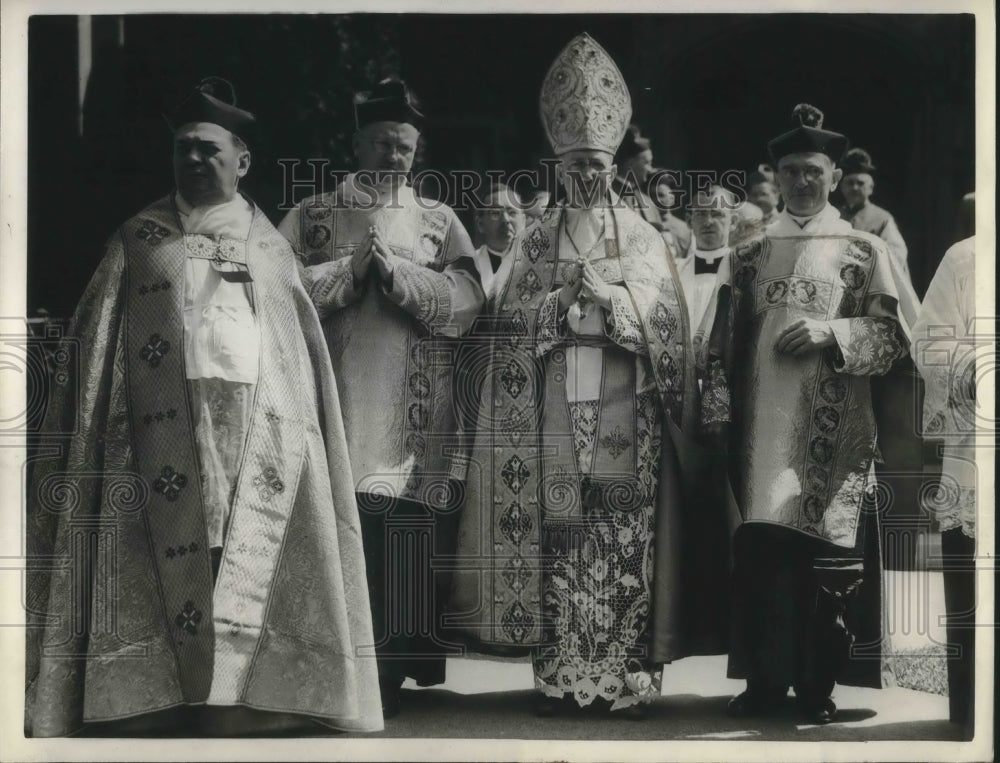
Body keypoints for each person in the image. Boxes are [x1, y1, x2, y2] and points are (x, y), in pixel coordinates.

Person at [24, 77, 383, 737]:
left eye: (208, 148)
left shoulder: (271, 249)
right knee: (162, 555)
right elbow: (96, 343)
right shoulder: (140, 239)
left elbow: (296, 350)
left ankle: (252, 701)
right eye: (183, 148)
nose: (193, 158)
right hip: (157, 432)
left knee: (242, 557)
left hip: (256, 434)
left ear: (241, 160)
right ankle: (154, 696)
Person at [449, 32, 725, 719]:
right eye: (575, 163)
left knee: (622, 534)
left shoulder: (641, 234)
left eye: (598, 162)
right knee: (561, 536)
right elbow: (507, 322)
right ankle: (562, 673)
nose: (587, 174)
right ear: (557, 162)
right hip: (550, 408)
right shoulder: (536, 236)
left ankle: (624, 674)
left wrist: (616, 304)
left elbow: (672, 329)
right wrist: (556, 306)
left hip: (626, 405)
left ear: (614, 162)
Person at [278, 78, 484, 719]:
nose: (396, 158)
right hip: (335, 393)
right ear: (358, 143)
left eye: (406, 147)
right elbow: (277, 293)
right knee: (344, 519)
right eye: (384, 144)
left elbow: (471, 299)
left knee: (407, 529)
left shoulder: (438, 220)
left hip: (416, 404)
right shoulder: (313, 214)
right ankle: (338, 664)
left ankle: (396, 668)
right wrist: (350, 273)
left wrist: (403, 281)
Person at [700, 103, 909, 724]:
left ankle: (817, 688)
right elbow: (717, 345)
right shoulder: (749, 254)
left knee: (822, 567)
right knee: (762, 558)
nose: (800, 181)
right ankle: (763, 685)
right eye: (789, 170)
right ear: (776, 173)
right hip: (758, 435)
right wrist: (717, 415)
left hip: (830, 437)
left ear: (834, 174)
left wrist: (833, 332)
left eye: (813, 170)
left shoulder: (864, 249)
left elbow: (895, 340)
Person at [911, 236, 978, 735]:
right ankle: (973, 708)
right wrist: (975, 366)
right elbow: (928, 337)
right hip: (978, 447)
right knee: (973, 580)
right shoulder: (965, 257)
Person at [838, 148, 910, 279]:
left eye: (860, 183)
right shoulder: (834, 217)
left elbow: (897, 254)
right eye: (850, 183)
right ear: (842, 188)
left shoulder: (882, 218)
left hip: (871, 281)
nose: (854, 188)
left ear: (870, 188)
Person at [676, 184, 738, 335]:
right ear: (689, 221)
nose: (708, 222)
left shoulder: (745, 271)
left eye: (717, 214)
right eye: (701, 214)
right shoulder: (674, 273)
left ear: (733, 221)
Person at [472, 182, 527, 299]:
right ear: (480, 224)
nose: (506, 219)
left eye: (512, 212)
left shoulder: (539, 264)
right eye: (495, 213)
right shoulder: (468, 266)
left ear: (523, 221)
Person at [611, 124, 662, 229]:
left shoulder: (648, 203)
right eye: (647, 163)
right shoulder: (605, 196)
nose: (650, 169)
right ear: (630, 163)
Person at [649, 169, 692, 255]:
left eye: (661, 195)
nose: (657, 200)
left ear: (672, 198)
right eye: (653, 196)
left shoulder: (685, 229)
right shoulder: (646, 224)